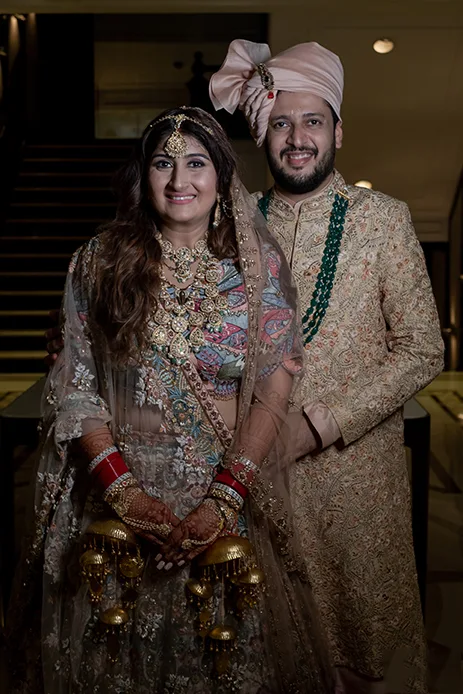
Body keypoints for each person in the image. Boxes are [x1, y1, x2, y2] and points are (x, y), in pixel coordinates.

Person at [7, 107, 334, 693]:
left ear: (222, 176)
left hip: (223, 494)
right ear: (144, 175)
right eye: (163, 163)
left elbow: (274, 388)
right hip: (115, 495)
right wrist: (123, 492)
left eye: (196, 163)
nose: (180, 180)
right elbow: (76, 386)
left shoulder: (257, 271)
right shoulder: (99, 262)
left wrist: (225, 496)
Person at [208, 40, 445, 693]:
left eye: (312, 121)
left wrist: (319, 425)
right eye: (281, 124)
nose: (297, 139)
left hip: (355, 483)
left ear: (338, 130)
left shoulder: (382, 220)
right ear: (264, 136)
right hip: (256, 477)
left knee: (360, 655)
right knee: (263, 652)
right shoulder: (233, 225)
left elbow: (423, 347)